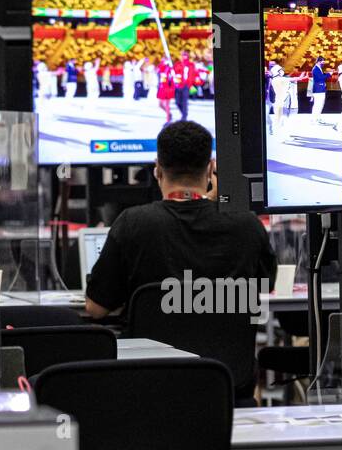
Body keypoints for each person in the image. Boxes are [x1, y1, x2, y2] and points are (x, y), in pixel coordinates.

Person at [84, 121, 273, 319]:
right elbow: (266, 285)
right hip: (227, 350)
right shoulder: (247, 225)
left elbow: (96, 309)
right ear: (210, 169)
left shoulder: (132, 224)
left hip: (152, 349)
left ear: (157, 169)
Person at [309, 56, 328, 121]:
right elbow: (320, 78)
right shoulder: (315, 69)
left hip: (321, 89)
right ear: (319, 61)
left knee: (320, 104)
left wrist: (326, 73)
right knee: (317, 104)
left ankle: (317, 117)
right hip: (318, 90)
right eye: (323, 61)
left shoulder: (319, 68)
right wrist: (329, 74)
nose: (324, 63)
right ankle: (314, 118)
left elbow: (321, 76)